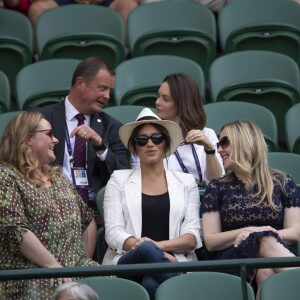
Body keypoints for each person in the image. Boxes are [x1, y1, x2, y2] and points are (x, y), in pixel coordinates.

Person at [102, 108, 201, 300]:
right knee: (145, 250)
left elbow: (192, 236)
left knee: (150, 282)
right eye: (142, 140)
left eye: (157, 138)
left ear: (165, 143)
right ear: (135, 147)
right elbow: (113, 233)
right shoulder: (118, 179)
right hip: (128, 262)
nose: (150, 144)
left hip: (176, 259)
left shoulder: (186, 182)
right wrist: (150, 252)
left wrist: (155, 250)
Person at [0, 111, 99, 299]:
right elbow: (17, 230)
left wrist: (80, 262)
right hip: (32, 276)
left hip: (72, 271)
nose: (56, 140)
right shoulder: (6, 176)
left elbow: (88, 220)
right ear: (28, 138)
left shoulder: (57, 177)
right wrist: (53, 267)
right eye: (49, 134)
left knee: (111, 282)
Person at [200, 120, 300, 298]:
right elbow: (210, 241)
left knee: (266, 272)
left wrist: (264, 233)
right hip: (234, 260)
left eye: (224, 143)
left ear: (244, 141)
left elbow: (296, 232)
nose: (220, 150)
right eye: (218, 144)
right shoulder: (217, 187)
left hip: (273, 257)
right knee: (261, 240)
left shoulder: (282, 181)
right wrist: (250, 232)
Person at [34, 57, 128, 215]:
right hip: (49, 206)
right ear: (80, 83)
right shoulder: (40, 119)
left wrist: (100, 146)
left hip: (94, 209)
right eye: (102, 88)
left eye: (109, 91)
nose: (107, 96)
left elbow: (123, 176)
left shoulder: (112, 127)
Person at [131, 73, 224, 188]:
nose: (157, 102)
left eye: (165, 99)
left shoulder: (207, 134)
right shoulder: (148, 138)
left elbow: (217, 182)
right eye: (158, 96)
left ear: (182, 103)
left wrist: (209, 149)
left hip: (204, 201)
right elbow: (140, 183)